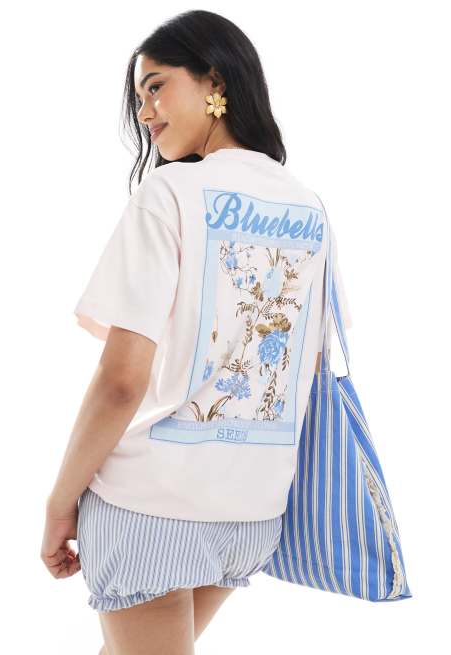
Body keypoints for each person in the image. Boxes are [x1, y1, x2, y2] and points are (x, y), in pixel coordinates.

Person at [40, 9, 352, 655]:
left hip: (152, 504)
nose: (145, 112)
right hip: (253, 510)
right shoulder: (309, 206)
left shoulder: (170, 193)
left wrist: (59, 503)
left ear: (215, 80)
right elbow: (310, 359)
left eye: (156, 86)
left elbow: (122, 381)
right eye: (138, 97)